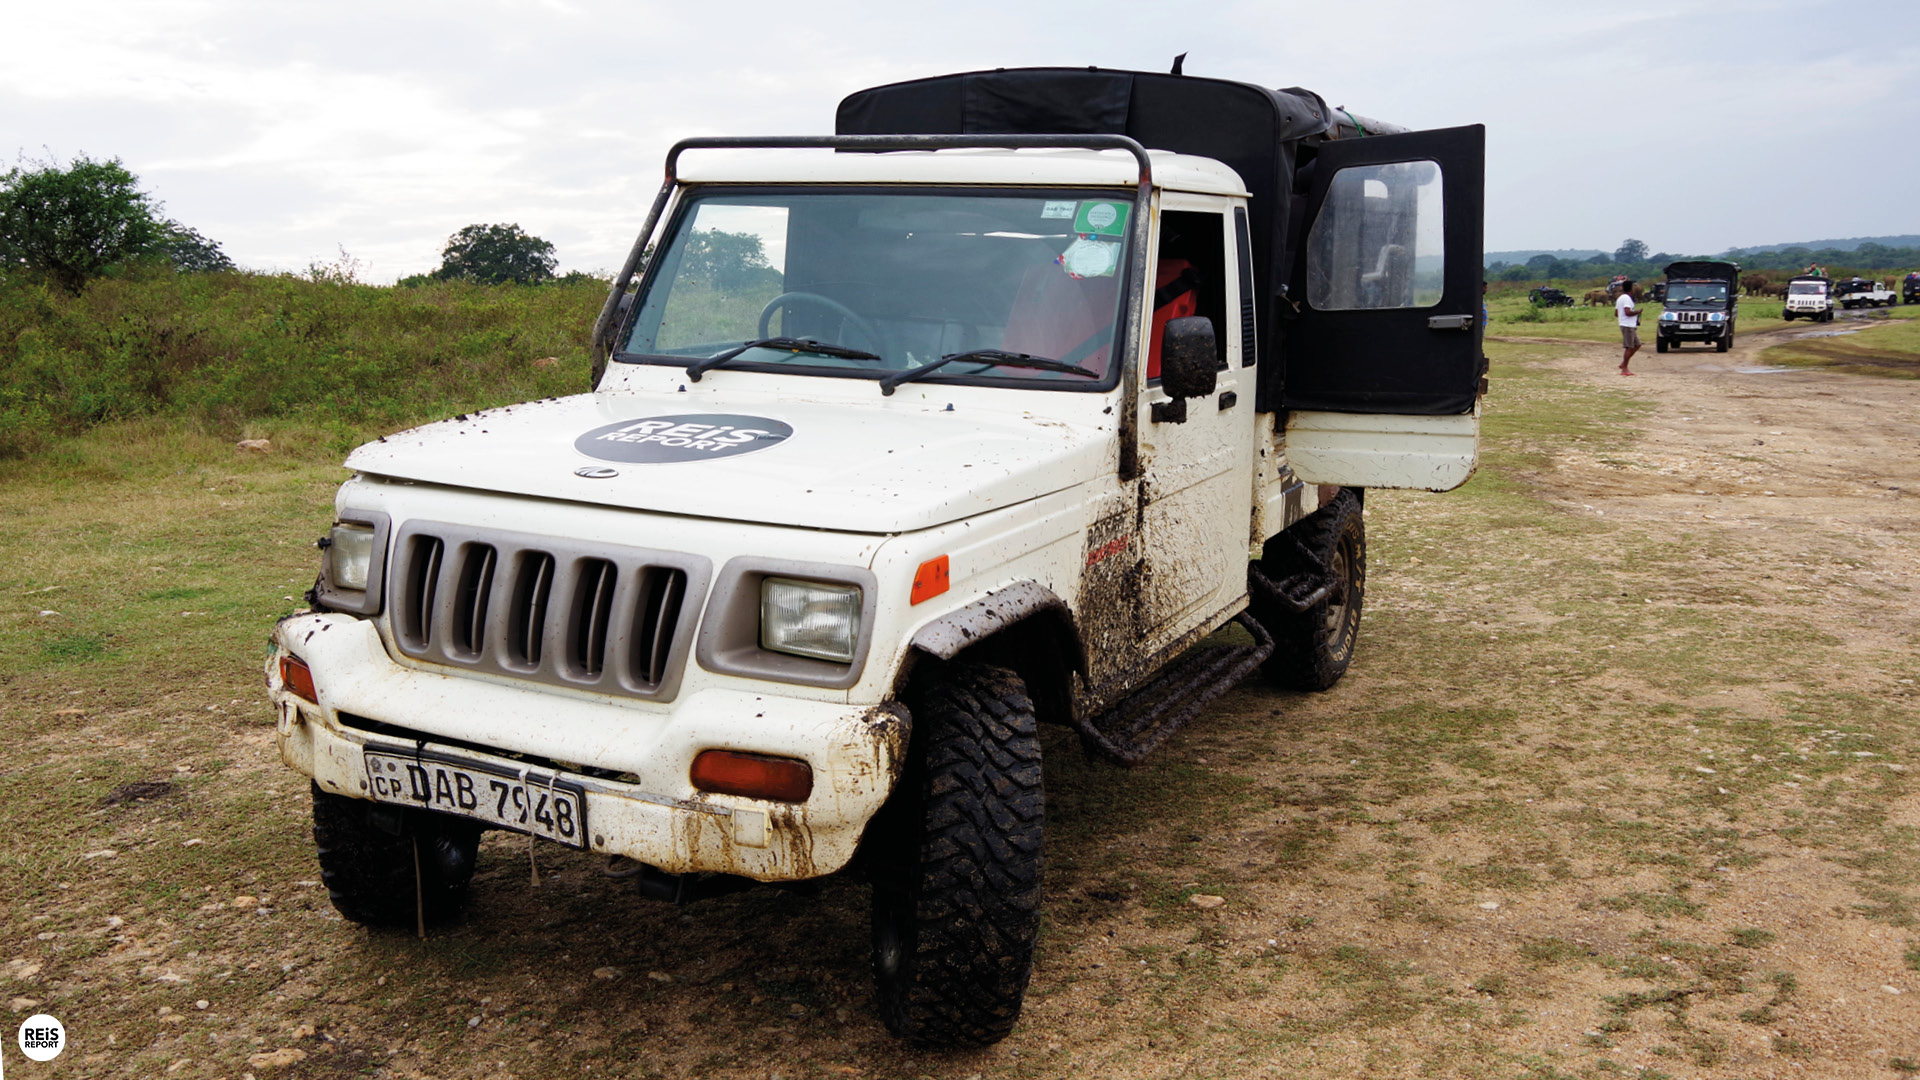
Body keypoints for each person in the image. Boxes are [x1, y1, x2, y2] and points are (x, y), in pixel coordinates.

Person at [1615, 278, 1641, 375]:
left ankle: (1623, 363)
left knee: (1637, 344)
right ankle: (1625, 369)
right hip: (1628, 325)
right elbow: (1628, 312)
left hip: (1627, 324)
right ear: (1631, 288)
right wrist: (1637, 312)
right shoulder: (1627, 299)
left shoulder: (1620, 298)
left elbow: (1616, 313)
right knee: (1629, 347)